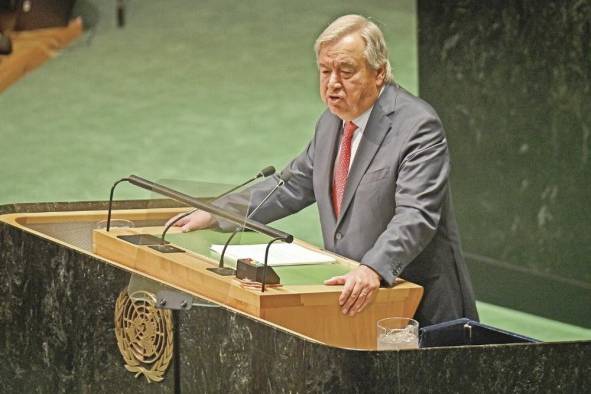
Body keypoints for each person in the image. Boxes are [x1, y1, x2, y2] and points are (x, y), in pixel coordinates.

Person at [168, 15, 478, 327]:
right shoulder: (331, 123)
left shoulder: (417, 127)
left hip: (416, 305)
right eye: (325, 71)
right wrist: (218, 212)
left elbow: (415, 216)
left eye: (346, 72)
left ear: (379, 72)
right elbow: (289, 186)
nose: (332, 84)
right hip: (351, 299)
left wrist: (374, 267)